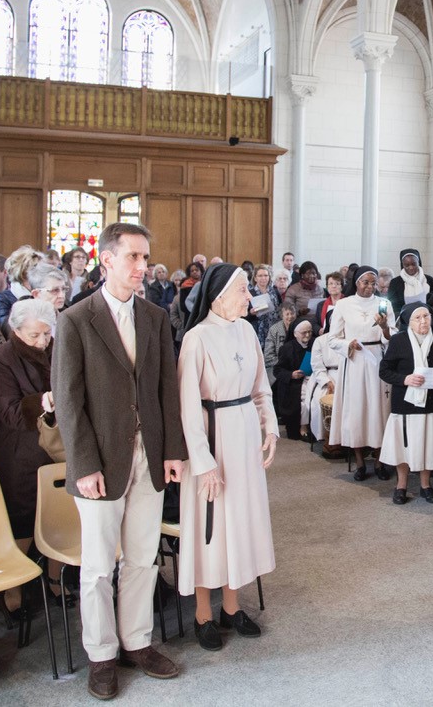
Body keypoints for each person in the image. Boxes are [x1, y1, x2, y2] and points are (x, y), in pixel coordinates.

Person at [52, 223, 186, 698]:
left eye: (145, 257)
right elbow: (68, 403)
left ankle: (137, 642)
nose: (142, 267)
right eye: (132, 257)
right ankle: (101, 653)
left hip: (149, 455)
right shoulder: (75, 319)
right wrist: (83, 464)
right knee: (97, 566)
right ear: (106, 260)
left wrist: (173, 450)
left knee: (143, 559)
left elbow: (166, 389)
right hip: (100, 461)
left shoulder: (154, 316)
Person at [177, 263, 277, 651]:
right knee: (211, 529)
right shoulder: (197, 339)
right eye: (242, 290)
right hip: (211, 441)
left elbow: (260, 387)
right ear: (218, 296)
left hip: (245, 438)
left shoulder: (247, 330)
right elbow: (187, 407)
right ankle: (204, 613)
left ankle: (232, 607)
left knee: (240, 524)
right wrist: (203, 463)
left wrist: (270, 428)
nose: (249, 296)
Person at [0, 298, 68, 619]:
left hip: (57, 445)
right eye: (34, 335)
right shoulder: (1, 359)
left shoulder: (57, 348)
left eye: (47, 334)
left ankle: (54, 577)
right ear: (15, 330)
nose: (42, 341)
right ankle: (13, 587)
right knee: (22, 518)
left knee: (60, 514)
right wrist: (44, 401)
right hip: (19, 450)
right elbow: (8, 411)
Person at [328, 266, 396, 479]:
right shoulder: (343, 305)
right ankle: (359, 462)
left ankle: (378, 461)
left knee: (379, 410)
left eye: (373, 283)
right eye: (365, 282)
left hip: (377, 359)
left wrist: (385, 328)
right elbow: (332, 339)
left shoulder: (384, 304)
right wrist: (350, 343)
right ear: (356, 282)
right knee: (356, 411)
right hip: (355, 360)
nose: (370, 287)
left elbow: (392, 337)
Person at [378, 303, 433, 504]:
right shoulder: (399, 340)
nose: (423, 321)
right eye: (417, 318)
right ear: (408, 322)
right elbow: (384, 371)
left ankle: (426, 485)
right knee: (404, 446)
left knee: (429, 445)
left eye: (426, 316)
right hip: (406, 403)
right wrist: (405, 379)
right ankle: (401, 485)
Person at [273, 317, 315, 441]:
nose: (307, 335)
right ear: (295, 334)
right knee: (302, 397)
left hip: (312, 379)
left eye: (310, 332)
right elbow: (278, 370)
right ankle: (302, 427)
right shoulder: (287, 348)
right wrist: (291, 374)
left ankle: (309, 428)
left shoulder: (314, 343)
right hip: (294, 383)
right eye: (304, 333)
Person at [305, 325, 341, 443]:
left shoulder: (349, 338)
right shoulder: (320, 340)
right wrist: (326, 381)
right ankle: (327, 438)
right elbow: (316, 365)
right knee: (319, 399)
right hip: (326, 374)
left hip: (346, 375)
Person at [0, 246, 44, 325]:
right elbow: (5, 328)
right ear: (22, 274)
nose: (43, 275)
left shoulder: (44, 293)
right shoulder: (3, 299)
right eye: (36, 271)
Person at [387, 248, 433, 319]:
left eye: (413, 264)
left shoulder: (429, 280)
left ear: (418, 263)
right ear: (402, 265)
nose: (411, 268)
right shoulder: (395, 283)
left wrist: (429, 305)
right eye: (407, 265)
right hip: (404, 323)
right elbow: (392, 308)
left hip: (428, 321)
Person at [246, 263, 283, 348]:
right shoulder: (250, 293)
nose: (263, 278)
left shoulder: (274, 291)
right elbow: (243, 316)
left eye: (266, 275)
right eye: (260, 276)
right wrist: (251, 313)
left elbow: (280, 306)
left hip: (274, 328)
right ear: (255, 278)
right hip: (258, 330)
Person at [263, 302, 296, 384]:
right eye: (287, 314)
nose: (290, 317)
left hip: (296, 368)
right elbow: (268, 357)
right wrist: (284, 364)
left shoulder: (300, 327)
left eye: (292, 313)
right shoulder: (274, 330)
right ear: (282, 316)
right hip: (277, 367)